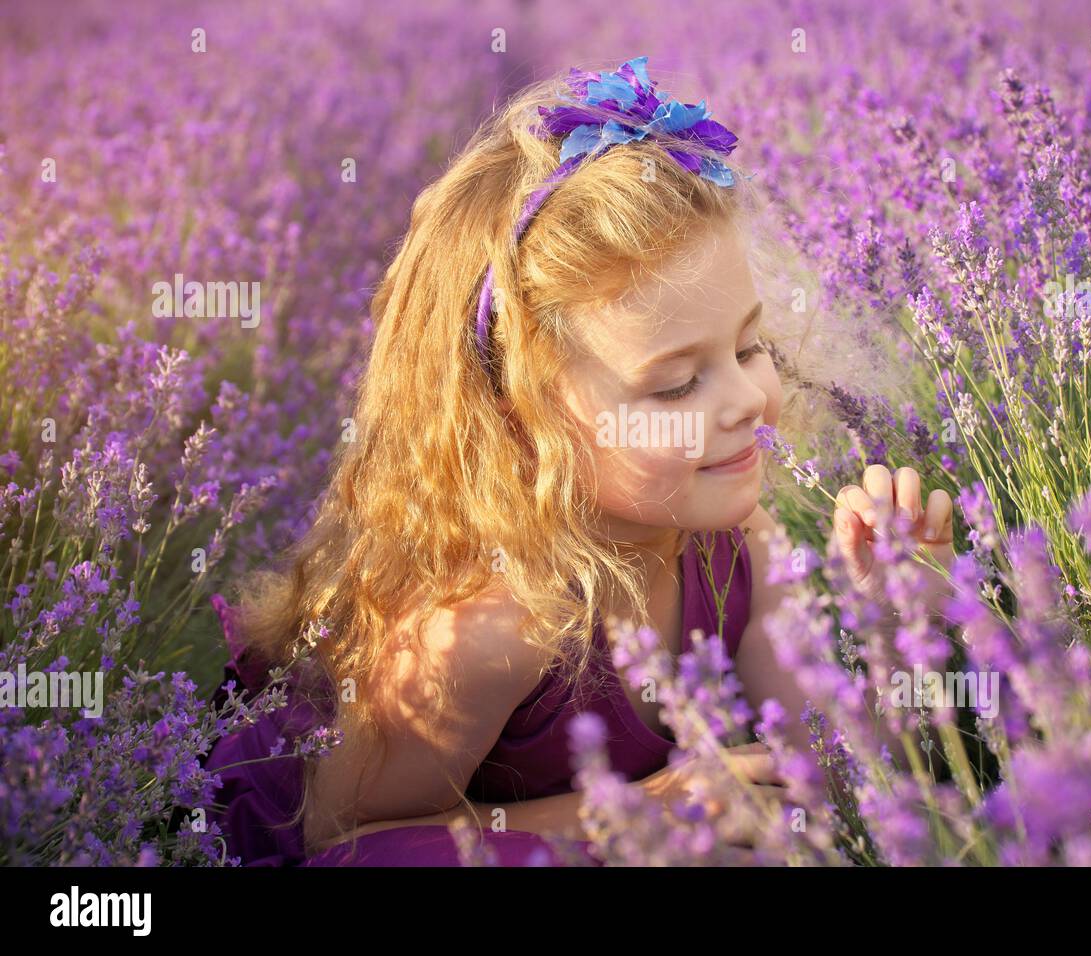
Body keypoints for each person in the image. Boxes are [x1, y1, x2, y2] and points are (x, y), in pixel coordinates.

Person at [200, 55, 955, 867]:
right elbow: (342, 841)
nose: (744, 399)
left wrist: (895, 626)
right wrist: (629, 812)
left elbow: (822, 773)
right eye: (674, 387)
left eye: (750, 346)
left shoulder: (742, 545)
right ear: (524, 423)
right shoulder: (486, 629)